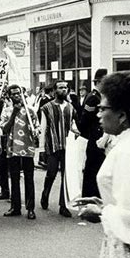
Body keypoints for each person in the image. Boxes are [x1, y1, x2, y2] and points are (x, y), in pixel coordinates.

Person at [76, 71, 130, 258]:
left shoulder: (127, 151)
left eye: (103, 109)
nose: (98, 114)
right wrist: (106, 203)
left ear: (122, 115)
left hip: (129, 248)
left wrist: (101, 212)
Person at [39, 80, 79, 218]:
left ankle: (63, 205)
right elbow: (43, 128)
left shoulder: (70, 107)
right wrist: (41, 149)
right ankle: (45, 194)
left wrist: (75, 131)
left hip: (67, 146)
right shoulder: (46, 107)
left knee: (65, 176)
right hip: (52, 145)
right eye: (61, 87)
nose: (64, 90)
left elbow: (72, 125)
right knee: (51, 173)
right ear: (55, 90)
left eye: (66, 87)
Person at [0, 85, 39, 220]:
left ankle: (30, 208)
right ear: (10, 96)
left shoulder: (31, 111)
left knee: (29, 179)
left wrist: (36, 132)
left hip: (27, 149)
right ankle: (15, 207)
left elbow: (37, 127)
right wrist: (13, 114)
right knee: (14, 179)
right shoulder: (7, 111)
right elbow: (4, 129)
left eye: (18, 93)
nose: (16, 96)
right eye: (13, 94)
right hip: (12, 149)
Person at [79, 68, 108, 198]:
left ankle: (94, 195)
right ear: (99, 82)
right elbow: (85, 120)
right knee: (91, 168)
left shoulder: (99, 97)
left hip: (98, 137)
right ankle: (88, 197)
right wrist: (90, 135)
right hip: (93, 138)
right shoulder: (92, 98)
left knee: (96, 168)